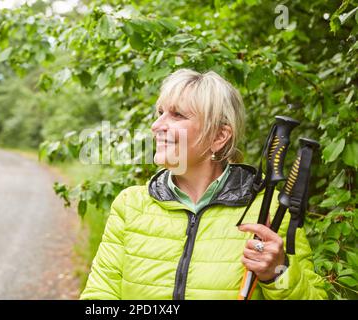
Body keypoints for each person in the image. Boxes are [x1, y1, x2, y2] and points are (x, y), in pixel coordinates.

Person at [80, 69, 327, 300]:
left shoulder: (269, 212)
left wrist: (277, 273)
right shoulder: (131, 204)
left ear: (219, 136)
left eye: (177, 115)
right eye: (160, 113)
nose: (157, 126)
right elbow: (100, 296)